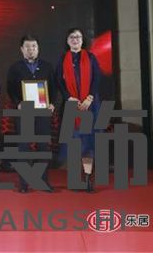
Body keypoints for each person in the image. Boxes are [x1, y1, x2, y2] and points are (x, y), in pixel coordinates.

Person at [6, 34, 56, 193]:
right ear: (22, 49)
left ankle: (43, 181)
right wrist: (17, 103)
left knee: (43, 146)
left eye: (34, 46)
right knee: (24, 147)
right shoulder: (15, 68)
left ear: (38, 48)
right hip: (24, 111)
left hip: (42, 111)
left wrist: (52, 103)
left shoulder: (47, 67)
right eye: (27, 47)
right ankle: (24, 183)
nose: (31, 49)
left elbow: (53, 88)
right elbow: (10, 89)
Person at [56, 27, 102, 193]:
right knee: (74, 143)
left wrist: (89, 97)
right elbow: (58, 81)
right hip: (71, 105)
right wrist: (69, 97)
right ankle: (76, 179)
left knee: (88, 142)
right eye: (72, 37)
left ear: (83, 40)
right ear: (67, 41)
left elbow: (97, 78)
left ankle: (88, 179)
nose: (75, 40)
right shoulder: (63, 59)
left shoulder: (91, 57)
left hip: (90, 105)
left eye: (78, 37)